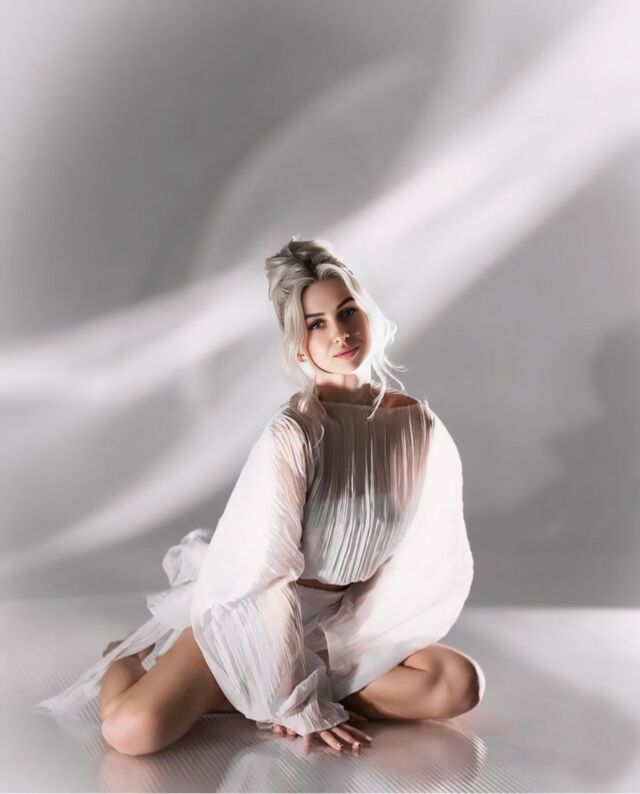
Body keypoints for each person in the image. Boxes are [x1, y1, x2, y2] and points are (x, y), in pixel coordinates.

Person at [34, 237, 485, 756]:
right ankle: (133, 660)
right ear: (299, 344)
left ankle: (245, 697)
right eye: (317, 324)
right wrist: (295, 699)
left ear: (368, 313)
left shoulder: (418, 425)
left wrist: (367, 635)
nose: (339, 333)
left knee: (459, 684)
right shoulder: (294, 432)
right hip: (253, 614)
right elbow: (265, 575)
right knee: (132, 731)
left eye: (347, 312)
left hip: (342, 628)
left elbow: (425, 552)